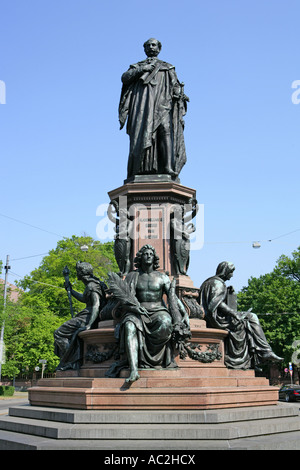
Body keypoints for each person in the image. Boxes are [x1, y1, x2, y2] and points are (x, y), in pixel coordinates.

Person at [107, 244, 190, 382]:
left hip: (158, 311)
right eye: (145, 254)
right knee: (129, 327)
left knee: (166, 322)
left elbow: (172, 297)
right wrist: (135, 308)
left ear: (155, 258)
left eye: (151, 254)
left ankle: (156, 360)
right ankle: (133, 370)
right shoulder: (132, 276)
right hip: (136, 312)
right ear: (140, 257)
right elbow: (124, 299)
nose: (148, 256)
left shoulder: (162, 277)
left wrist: (184, 313)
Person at [119, 38, 188, 179]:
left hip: (163, 106)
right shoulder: (137, 66)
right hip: (143, 108)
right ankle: (138, 168)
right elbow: (125, 78)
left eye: (154, 45)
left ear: (159, 48)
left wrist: (179, 93)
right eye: (148, 45)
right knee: (141, 135)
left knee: (166, 132)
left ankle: (168, 167)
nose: (151, 47)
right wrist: (141, 70)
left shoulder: (167, 67)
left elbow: (175, 85)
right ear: (144, 49)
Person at [198, 261, 283, 370]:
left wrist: (228, 292)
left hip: (213, 318)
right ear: (225, 271)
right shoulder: (217, 283)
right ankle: (263, 352)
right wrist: (234, 314)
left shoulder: (210, 282)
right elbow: (216, 304)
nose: (232, 275)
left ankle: (259, 356)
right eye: (231, 272)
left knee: (248, 321)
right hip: (217, 320)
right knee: (250, 318)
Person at [54, 262, 107, 370]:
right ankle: (71, 360)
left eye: (77, 271)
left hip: (89, 316)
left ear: (82, 273)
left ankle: (71, 361)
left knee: (59, 333)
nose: (76, 273)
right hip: (87, 314)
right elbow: (84, 298)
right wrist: (71, 290)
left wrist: (89, 324)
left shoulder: (92, 286)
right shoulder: (91, 284)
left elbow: (96, 305)